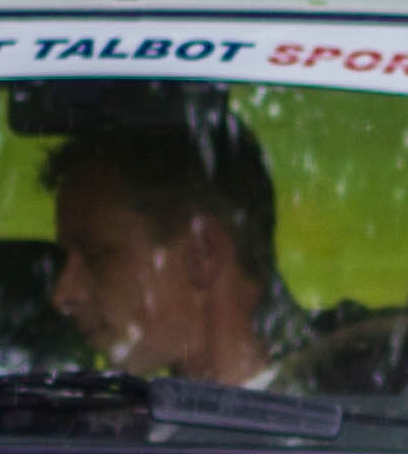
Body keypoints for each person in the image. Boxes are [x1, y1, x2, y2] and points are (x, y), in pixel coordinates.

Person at [38, 95, 303, 388]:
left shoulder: (329, 403)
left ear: (203, 254)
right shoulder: (321, 403)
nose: (63, 295)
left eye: (97, 255)